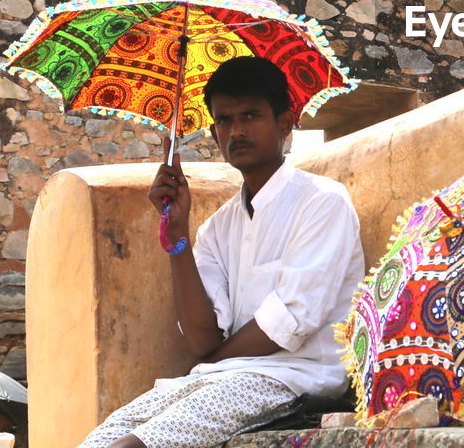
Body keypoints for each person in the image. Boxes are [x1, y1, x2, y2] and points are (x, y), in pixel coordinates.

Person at [78, 56, 365, 448]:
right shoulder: (218, 227)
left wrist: (214, 362)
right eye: (225, 120)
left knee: (135, 447)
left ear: (284, 124)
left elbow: (289, 322)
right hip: (221, 378)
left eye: (250, 116)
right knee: (99, 440)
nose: (237, 131)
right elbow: (201, 338)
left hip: (296, 376)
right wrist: (177, 235)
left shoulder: (321, 202)